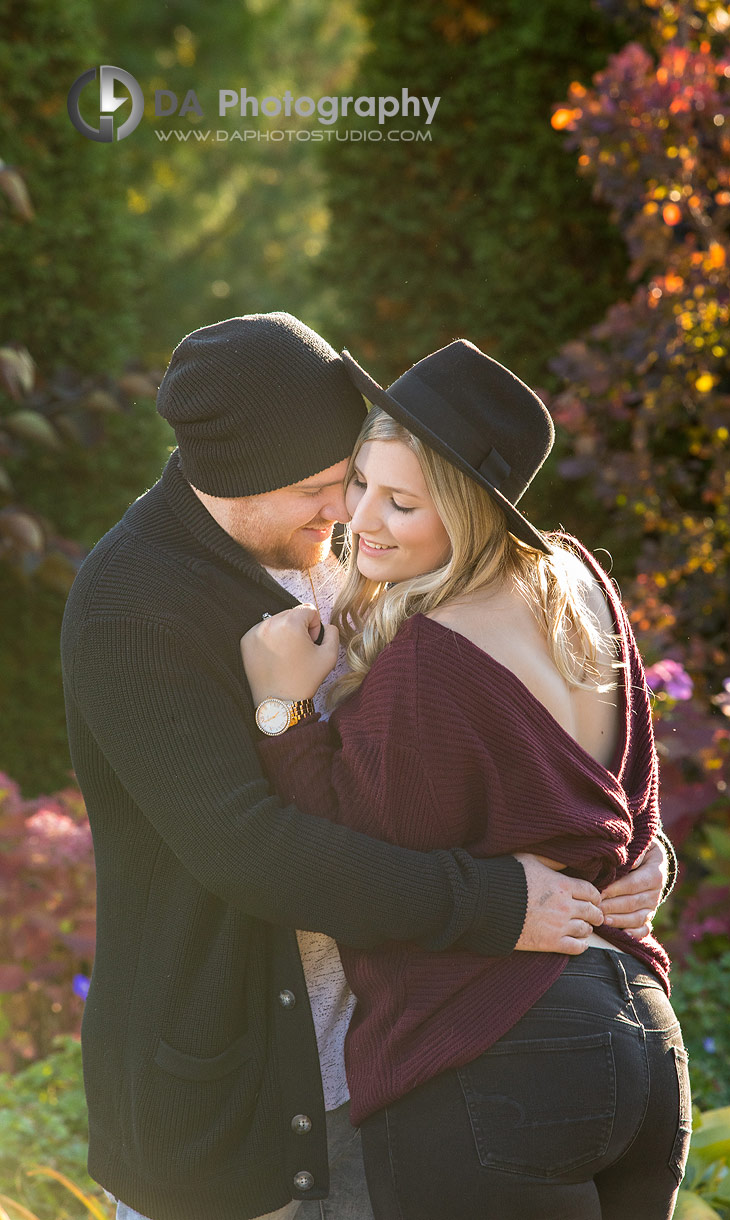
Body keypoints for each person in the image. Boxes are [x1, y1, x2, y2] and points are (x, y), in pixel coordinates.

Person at [60, 313, 674, 1220]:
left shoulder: (345, 554)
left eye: (348, 479)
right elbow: (245, 847)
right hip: (233, 1101)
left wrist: (636, 848)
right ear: (226, 479)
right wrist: (499, 903)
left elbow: (507, 733)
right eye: (319, 489)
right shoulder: (131, 609)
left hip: (387, 1063)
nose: (343, 512)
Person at [239, 338, 690, 1220]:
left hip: (497, 1049)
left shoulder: (430, 660)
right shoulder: (579, 586)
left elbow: (344, 855)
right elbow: (612, 783)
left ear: (471, 512)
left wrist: (281, 712)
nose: (360, 519)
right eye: (361, 482)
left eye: (401, 502)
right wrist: (653, 854)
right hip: (641, 1035)